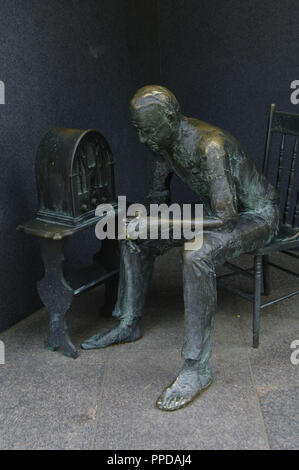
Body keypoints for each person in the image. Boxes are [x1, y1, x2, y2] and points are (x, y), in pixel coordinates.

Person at [82, 85, 279, 411]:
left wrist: (159, 224)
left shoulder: (210, 147)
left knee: (196, 254)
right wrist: (144, 222)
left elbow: (227, 219)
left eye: (147, 131)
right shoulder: (163, 142)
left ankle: (195, 368)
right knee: (132, 231)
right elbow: (158, 197)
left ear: (171, 118)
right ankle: (128, 323)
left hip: (256, 216)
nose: (142, 141)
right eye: (138, 131)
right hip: (220, 213)